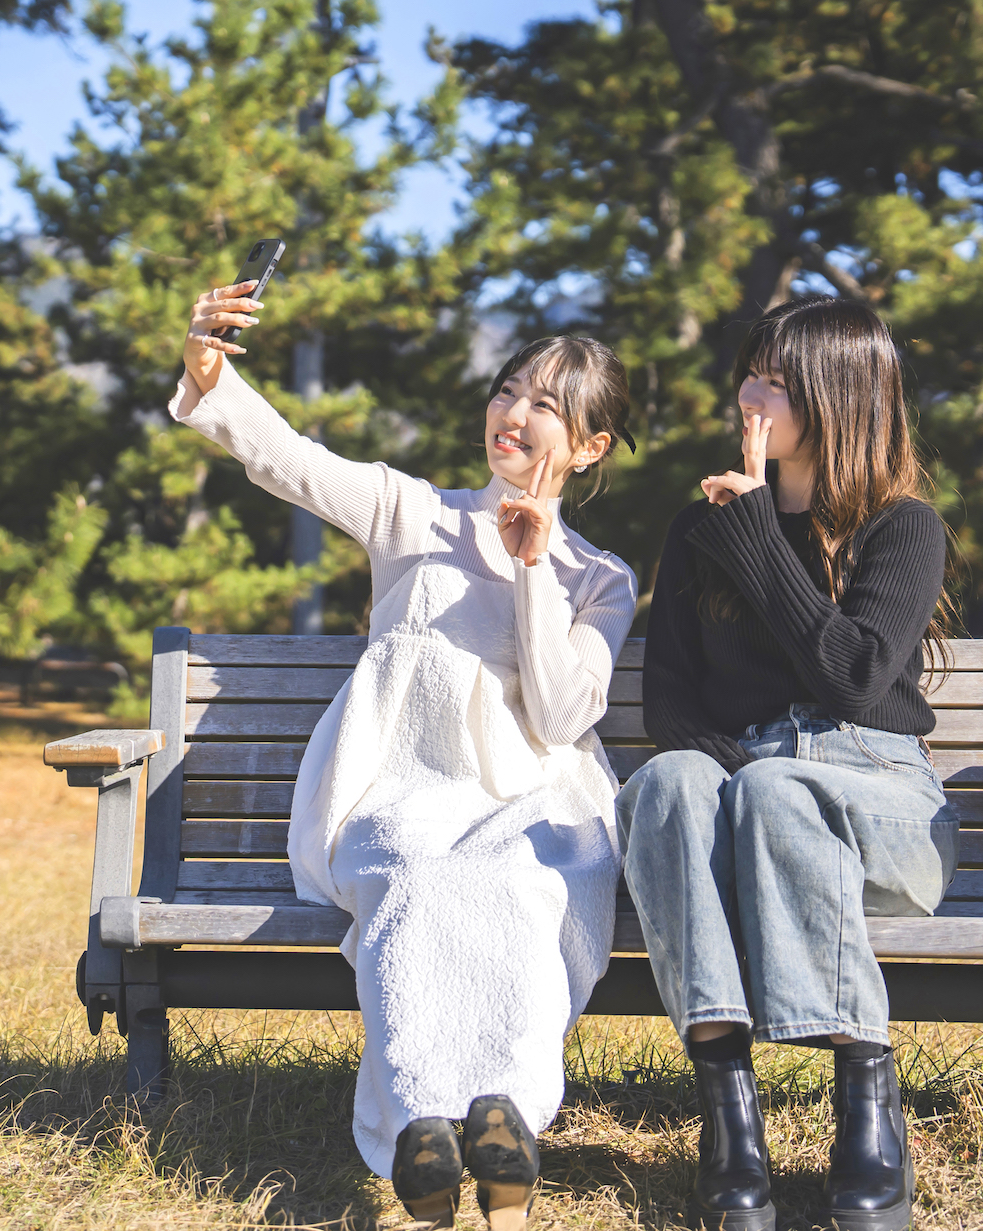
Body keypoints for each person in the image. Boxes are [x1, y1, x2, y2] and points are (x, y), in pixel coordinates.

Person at [175, 280, 641, 1231]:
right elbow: (287, 460)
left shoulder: (599, 579)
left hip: (535, 800)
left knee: (521, 884)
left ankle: (500, 1122)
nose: (513, 413)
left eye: (545, 406)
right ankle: (424, 1127)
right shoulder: (409, 511)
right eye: (508, 389)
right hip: (402, 788)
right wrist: (206, 371)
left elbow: (559, 714)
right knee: (416, 876)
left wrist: (535, 571)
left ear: (589, 447)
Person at [617, 296, 960, 1231]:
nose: (749, 389)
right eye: (750, 369)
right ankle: (730, 1122)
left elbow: (851, 679)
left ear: (837, 390)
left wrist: (763, 527)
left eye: (774, 374)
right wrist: (731, 783)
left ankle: (868, 1099)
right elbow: (669, 706)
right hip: (754, 803)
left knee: (773, 785)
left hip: (878, 807)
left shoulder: (902, 527)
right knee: (668, 781)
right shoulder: (700, 530)